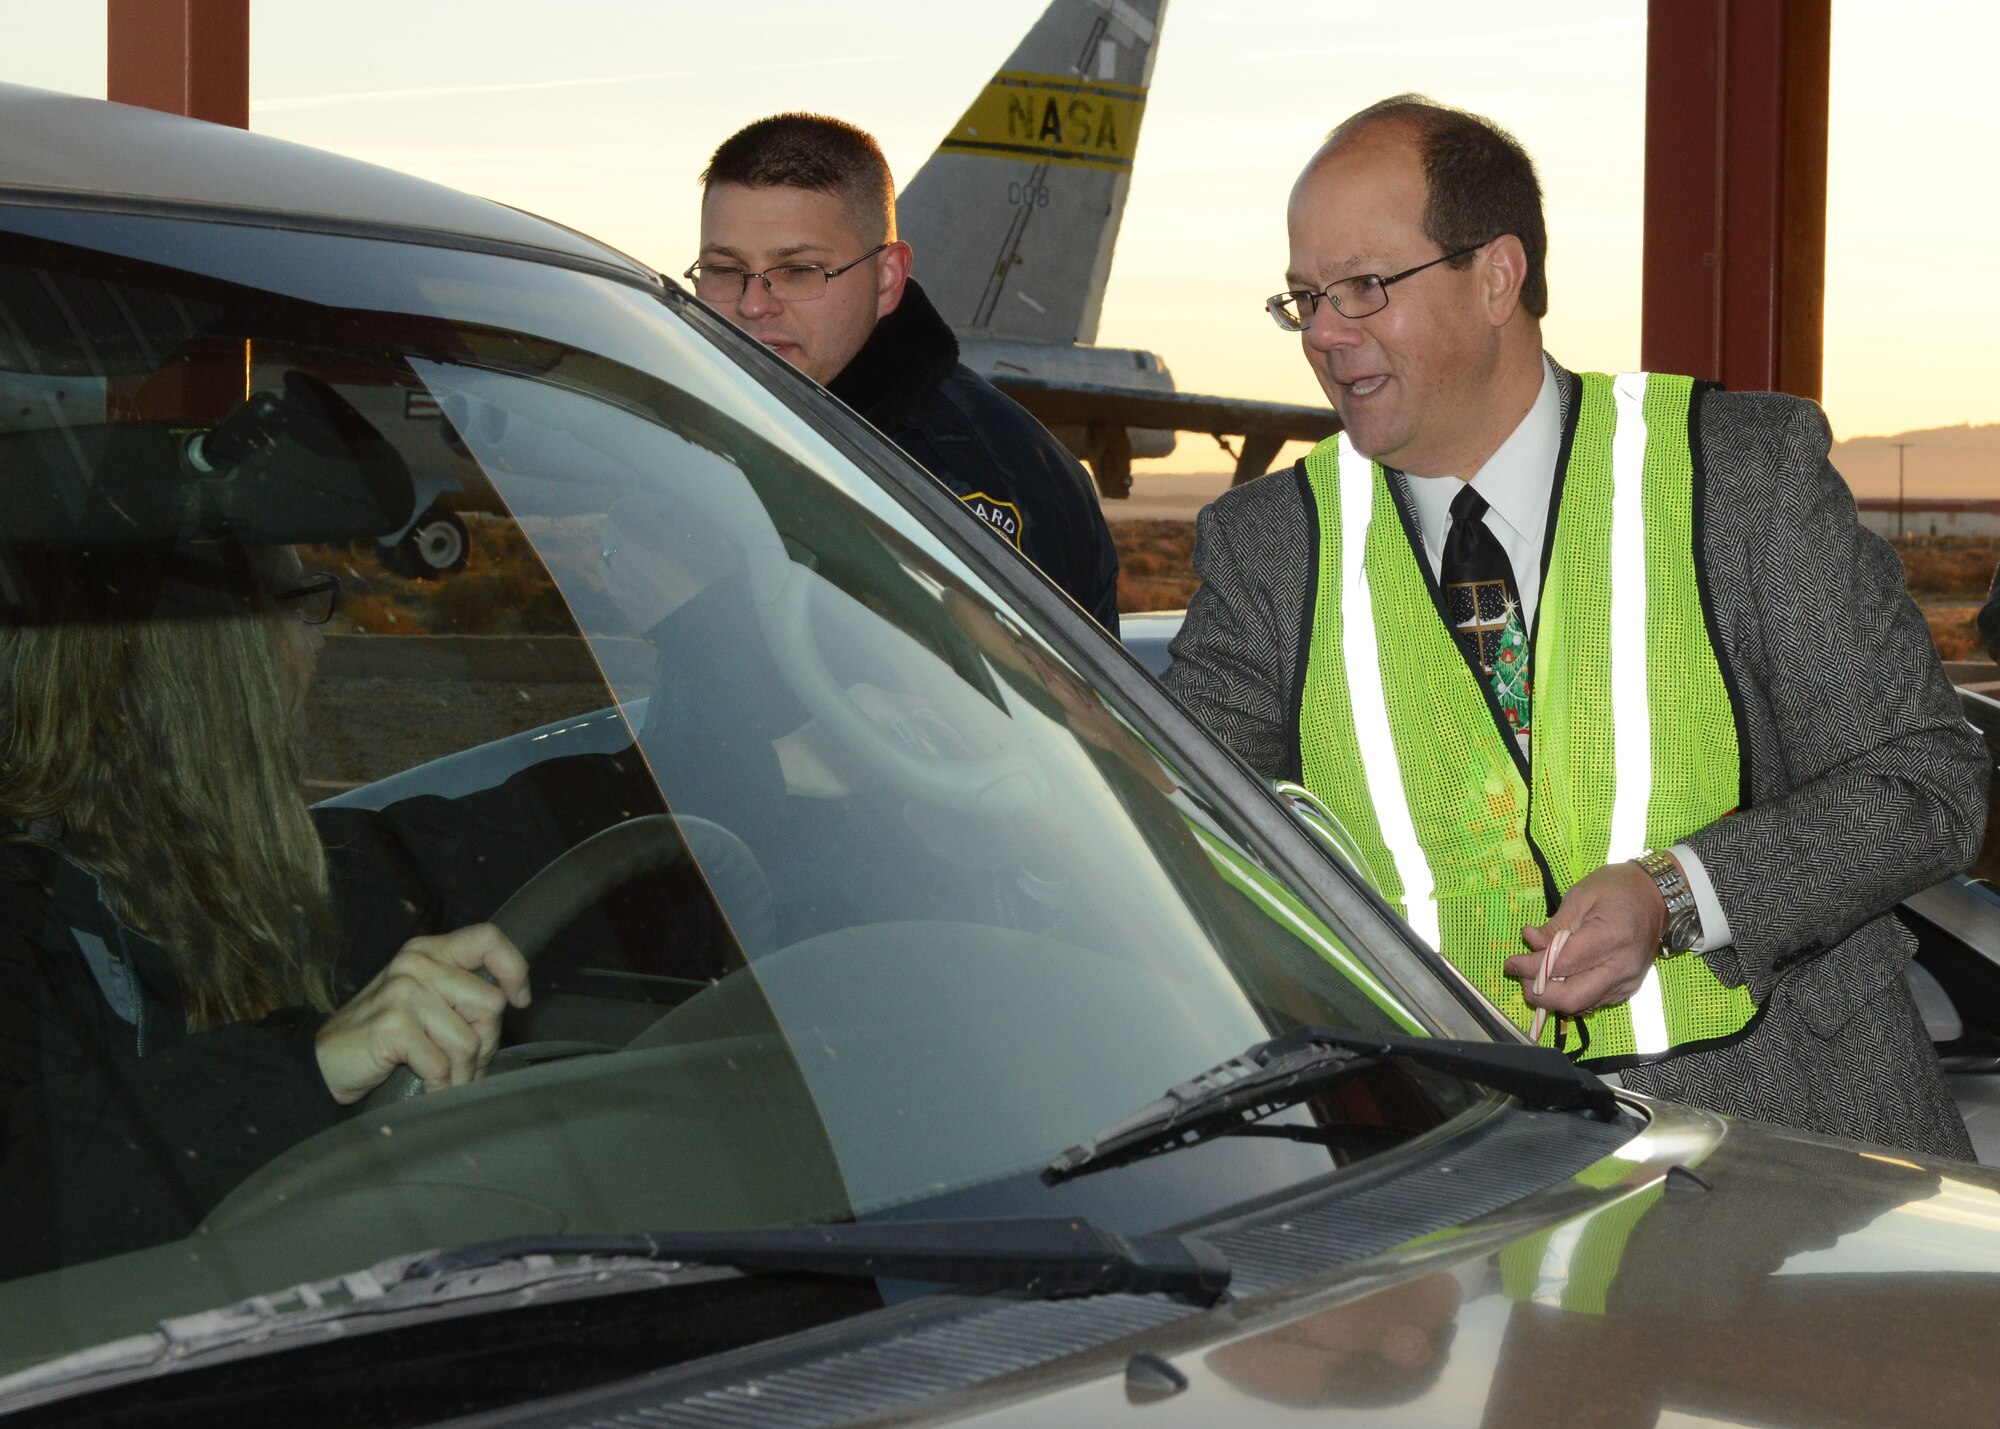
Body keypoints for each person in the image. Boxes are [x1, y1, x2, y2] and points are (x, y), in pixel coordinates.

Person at [1164, 95, 1987, 1158]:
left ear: (1496, 275)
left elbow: (1926, 782)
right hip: (1441, 1203)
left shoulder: (1739, 478)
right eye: (1304, 297)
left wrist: (1677, 893)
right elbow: (1177, 834)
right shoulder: (1268, 547)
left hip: (1797, 1178)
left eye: (1365, 287)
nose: (1323, 334)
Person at [0, 543, 530, 1273]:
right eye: (300, 603)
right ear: (210, 670)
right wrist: (307, 1067)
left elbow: (533, 828)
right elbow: (29, 1188)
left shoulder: (296, 875)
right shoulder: (26, 912)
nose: (320, 639)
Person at [688, 112, 1121, 633]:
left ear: (887, 278)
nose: (753, 304)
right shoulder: (688, 414)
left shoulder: (959, 477)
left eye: (799, 271)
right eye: (725, 271)